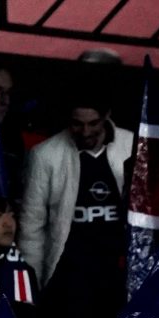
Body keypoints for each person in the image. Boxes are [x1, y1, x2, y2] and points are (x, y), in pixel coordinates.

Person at [19, 96, 133, 297]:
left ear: (107, 116)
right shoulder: (45, 155)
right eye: (77, 124)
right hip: (69, 279)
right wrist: (32, 286)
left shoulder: (133, 146)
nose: (86, 132)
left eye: (93, 123)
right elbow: (31, 227)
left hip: (119, 275)